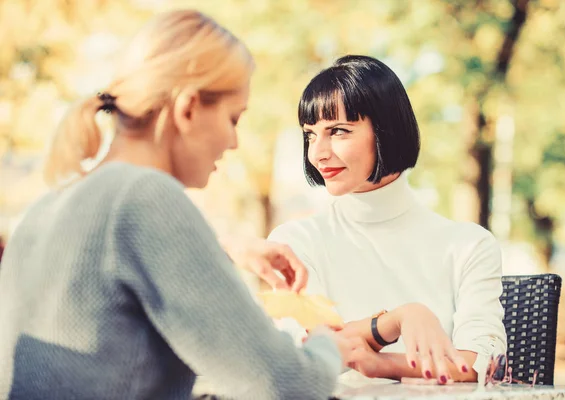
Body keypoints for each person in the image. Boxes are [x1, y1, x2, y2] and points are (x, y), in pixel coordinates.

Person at [0, 11, 363, 400]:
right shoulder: (146, 197)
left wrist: (224, 248)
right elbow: (287, 384)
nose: (234, 142)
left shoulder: (47, 207)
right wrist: (326, 345)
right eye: (233, 118)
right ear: (187, 108)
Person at [268, 55, 507, 385]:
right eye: (311, 134)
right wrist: (395, 320)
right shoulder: (294, 242)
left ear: (386, 130)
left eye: (338, 131)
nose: (317, 152)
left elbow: (482, 366)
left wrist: (382, 364)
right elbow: (304, 356)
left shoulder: (469, 245)